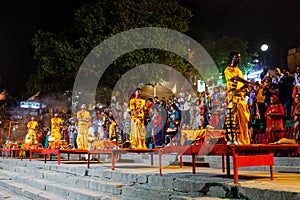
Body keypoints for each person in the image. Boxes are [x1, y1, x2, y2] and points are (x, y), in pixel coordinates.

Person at [224, 51, 250, 144]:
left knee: (243, 122)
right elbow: (234, 78)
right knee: (233, 120)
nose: (238, 59)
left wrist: (245, 87)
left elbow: (241, 85)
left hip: (241, 99)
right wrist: (247, 82)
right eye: (236, 57)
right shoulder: (228, 70)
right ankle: (234, 139)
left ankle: (243, 140)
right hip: (233, 98)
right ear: (232, 58)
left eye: (239, 57)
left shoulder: (240, 71)